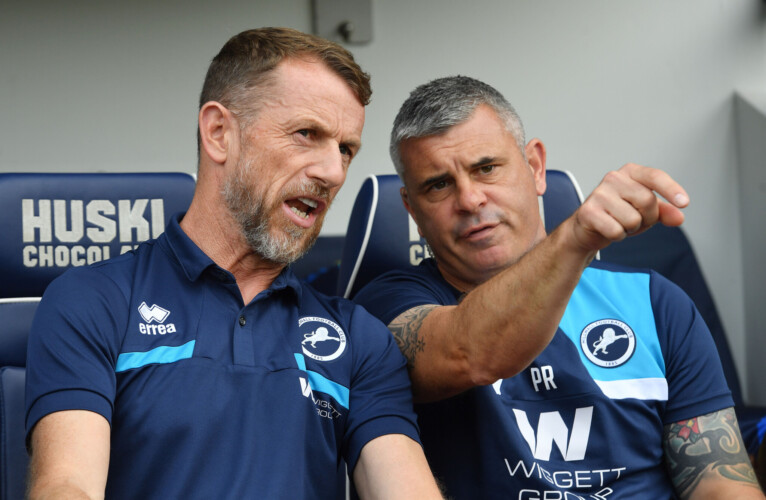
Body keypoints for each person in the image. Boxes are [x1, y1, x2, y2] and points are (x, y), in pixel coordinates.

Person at [24, 28, 442, 500]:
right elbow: (67, 486)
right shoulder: (94, 301)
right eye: (307, 134)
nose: (332, 172)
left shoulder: (359, 337)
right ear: (219, 133)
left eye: (345, 150)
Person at [353, 75, 765, 499]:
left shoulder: (654, 302)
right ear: (412, 210)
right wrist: (575, 237)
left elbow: (720, 481)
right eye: (438, 184)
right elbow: (469, 352)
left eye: (487, 168)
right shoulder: (380, 309)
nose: (470, 200)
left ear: (535, 167)